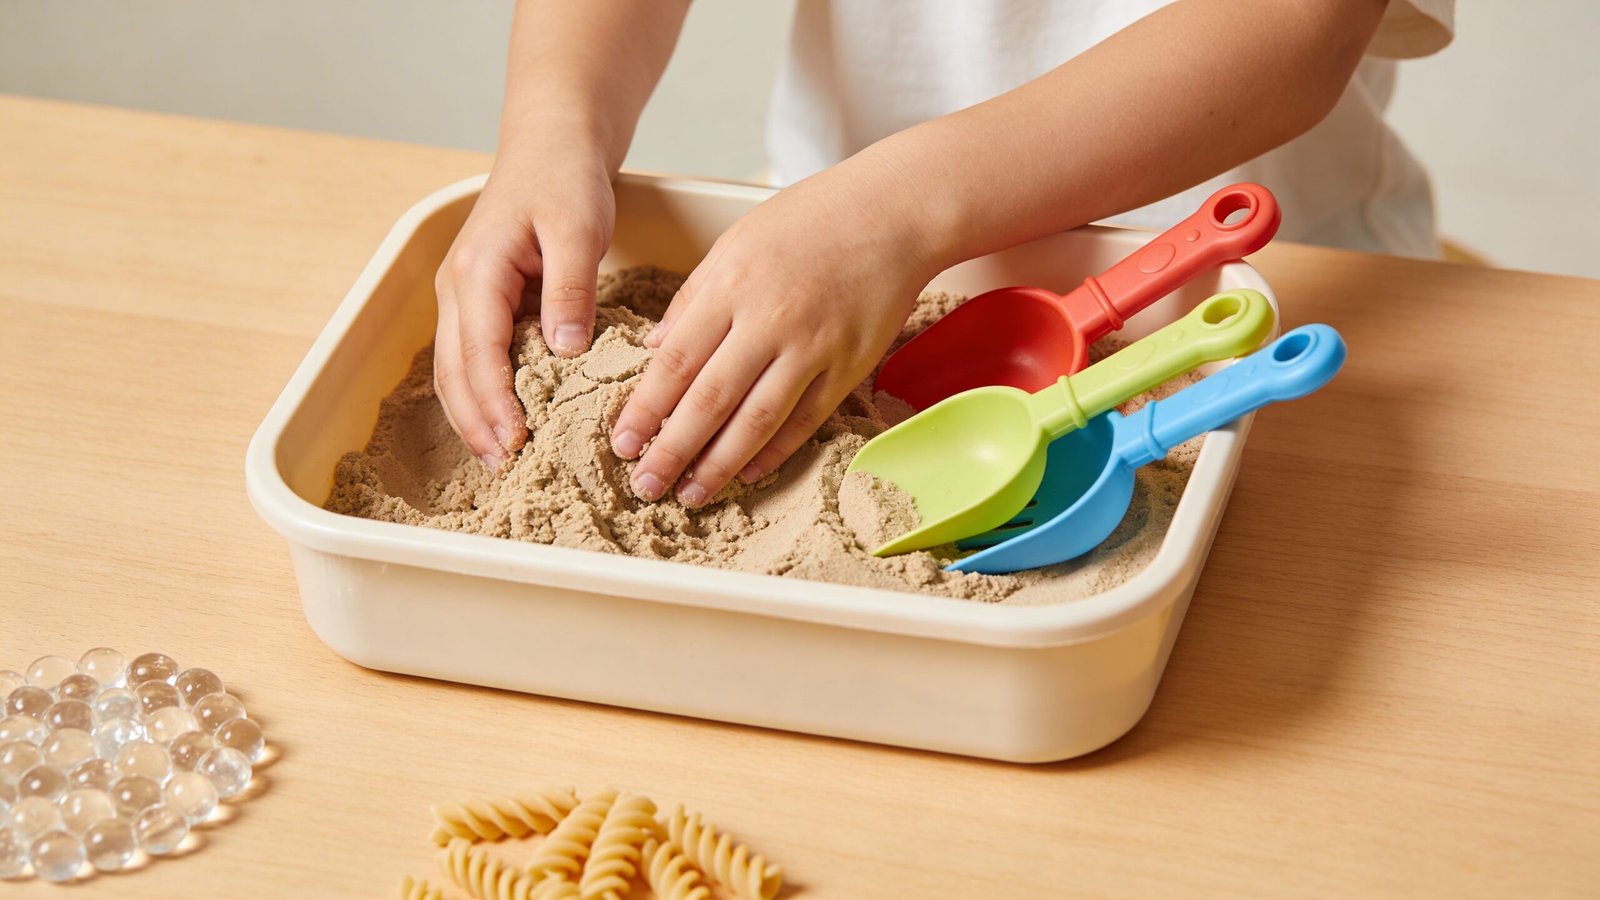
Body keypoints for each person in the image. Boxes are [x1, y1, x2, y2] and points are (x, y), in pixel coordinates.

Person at [432, 0, 1452, 505]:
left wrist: (893, 217)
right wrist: (553, 121)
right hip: (811, 242)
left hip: (1257, 298)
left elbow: (1299, 25)